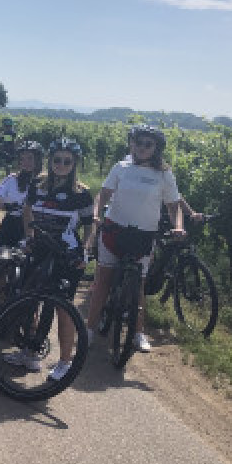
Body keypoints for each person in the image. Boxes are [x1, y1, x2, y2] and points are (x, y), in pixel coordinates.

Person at [84, 124, 184, 353]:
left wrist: (178, 226)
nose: (141, 148)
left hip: (143, 236)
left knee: (138, 284)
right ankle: (88, 330)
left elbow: (173, 206)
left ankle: (138, 332)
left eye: (148, 144)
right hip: (114, 230)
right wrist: (97, 214)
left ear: (156, 148)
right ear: (131, 143)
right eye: (137, 142)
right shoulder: (121, 167)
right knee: (103, 282)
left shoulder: (164, 174)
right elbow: (104, 194)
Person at [5, 137, 94, 381]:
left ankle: (65, 361)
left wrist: (85, 250)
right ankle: (30, 352)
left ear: (74, 163)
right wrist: (28, 236)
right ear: (50, 161)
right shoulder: (38, 185)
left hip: (66, 254)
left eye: (67, 161)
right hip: (40, 249)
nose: (61, 165)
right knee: (29, 299)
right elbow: (27, 210)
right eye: (57, 160)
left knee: (62, 308)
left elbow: (90, 225)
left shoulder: (81, 193)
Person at [0, 141, 44, 248]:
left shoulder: (45, 183)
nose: (25, 162)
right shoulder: (12, 179)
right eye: (22, 159)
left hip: (34, 227)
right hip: (11, 224)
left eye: (30, 158)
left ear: (38, 159)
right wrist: (2, 203)